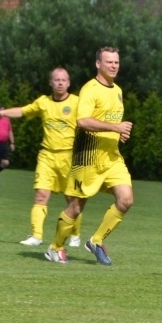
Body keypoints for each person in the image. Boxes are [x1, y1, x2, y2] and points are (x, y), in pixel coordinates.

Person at [44, 47, 133, 265]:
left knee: (126, 200)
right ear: (98, 64)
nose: (114, 66)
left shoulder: (118, 90)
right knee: (75, 208)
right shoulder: (89, 90)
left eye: (116, 62)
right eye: (109, 62)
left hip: (112, 158)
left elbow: (107, 122)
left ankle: (96, 240)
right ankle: (55, 248)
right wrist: (115, 127)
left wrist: (117, 134)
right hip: (88, 159)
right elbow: (83, 121)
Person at [0, 68, 82, 247]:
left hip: (69, 158)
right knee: (40, 195)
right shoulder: (43, 102)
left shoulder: (77, 103)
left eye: (64, 80)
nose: (60, 83)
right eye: (56, 80)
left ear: (69, 83)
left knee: (72, 199)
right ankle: (36, 236)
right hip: (47, 156)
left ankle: (75, 234)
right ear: (51, 83)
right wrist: (2, 113)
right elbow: (23, 111)